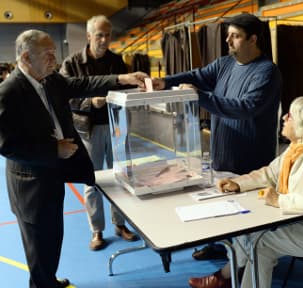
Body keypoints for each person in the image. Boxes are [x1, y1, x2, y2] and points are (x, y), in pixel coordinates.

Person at [0, 29, 146, 288]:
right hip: (31, 184)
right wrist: (52, 149)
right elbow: (7, 145)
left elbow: (84, 84)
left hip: (53, 175)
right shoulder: (9, 91)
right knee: (38, 247)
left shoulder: (50, 80)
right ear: (25, 57)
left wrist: (122, 77)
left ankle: (48, 281)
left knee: (53, 238)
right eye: (48, 55)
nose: (54, 61)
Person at [152, 13, 282, 260]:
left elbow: (245, 107)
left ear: (253, 39)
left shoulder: (267, 72)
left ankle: (243, 262)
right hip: (223, 154)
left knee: (245, 215)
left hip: (251, 160)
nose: (228, 41)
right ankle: (218, 245)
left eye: (235, 36)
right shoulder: (225, 64)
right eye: (228, 36)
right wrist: (165, 82)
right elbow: (198, 75)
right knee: (219, 205)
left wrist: (200, 96)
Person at [188, 96, 303, 288]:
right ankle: (226, 276)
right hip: (299, 225)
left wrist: (280, 200)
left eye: (289, 116)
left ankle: (225, 276)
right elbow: (268, 174)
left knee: (258, 242)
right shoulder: (294, 151)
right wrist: (238, 183)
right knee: (251, 236)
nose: (283, 119)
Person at [59, 15, 138, 251]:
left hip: (116, 127)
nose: (104, 39)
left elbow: (125, 90)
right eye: (100, 35)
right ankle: (97, 230)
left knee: (120, 178)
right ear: (89, 36)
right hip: (89, 130)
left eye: (108, 35)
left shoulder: (116, 61)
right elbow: (65, 96)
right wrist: (90, 103)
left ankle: (120, 224)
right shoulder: (72, 63)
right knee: (91, 182)